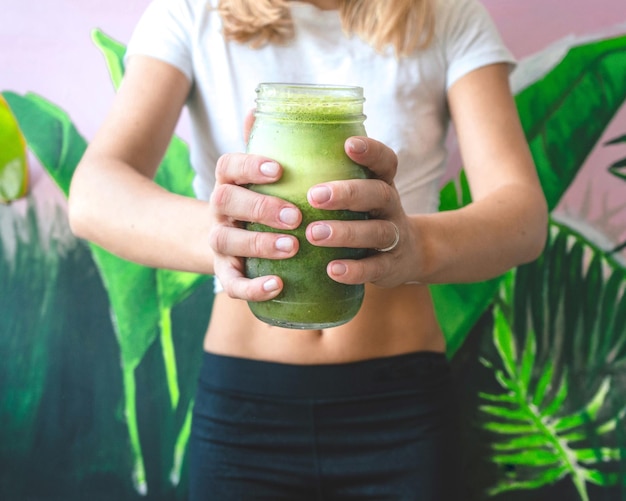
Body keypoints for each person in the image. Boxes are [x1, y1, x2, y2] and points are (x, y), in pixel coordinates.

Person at [68, 0, 548, 498]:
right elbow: (93, 194)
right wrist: (223, 236)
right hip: (244, 415)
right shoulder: (192, 12)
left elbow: (523, 218)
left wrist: (414, 246)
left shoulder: (446, 14)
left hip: (401, 409)